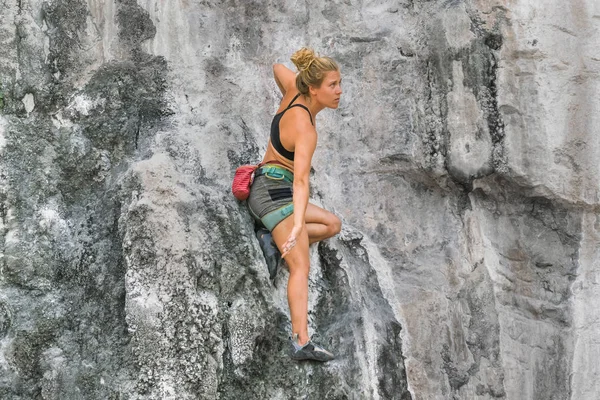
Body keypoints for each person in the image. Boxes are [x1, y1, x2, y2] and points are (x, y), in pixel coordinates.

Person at [247, 47, 343, 362]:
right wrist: (298, 224)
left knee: (332, 224)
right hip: (273, 195)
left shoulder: (293, 90)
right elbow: (300, 182)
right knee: (300, 266)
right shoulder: (306, 128)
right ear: (313, 88)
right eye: (332, 85)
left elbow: (277, 66)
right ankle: (301, 342)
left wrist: (301, 72)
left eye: (339, 83)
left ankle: (272, 240)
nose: (339, 91)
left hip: (270, 188)